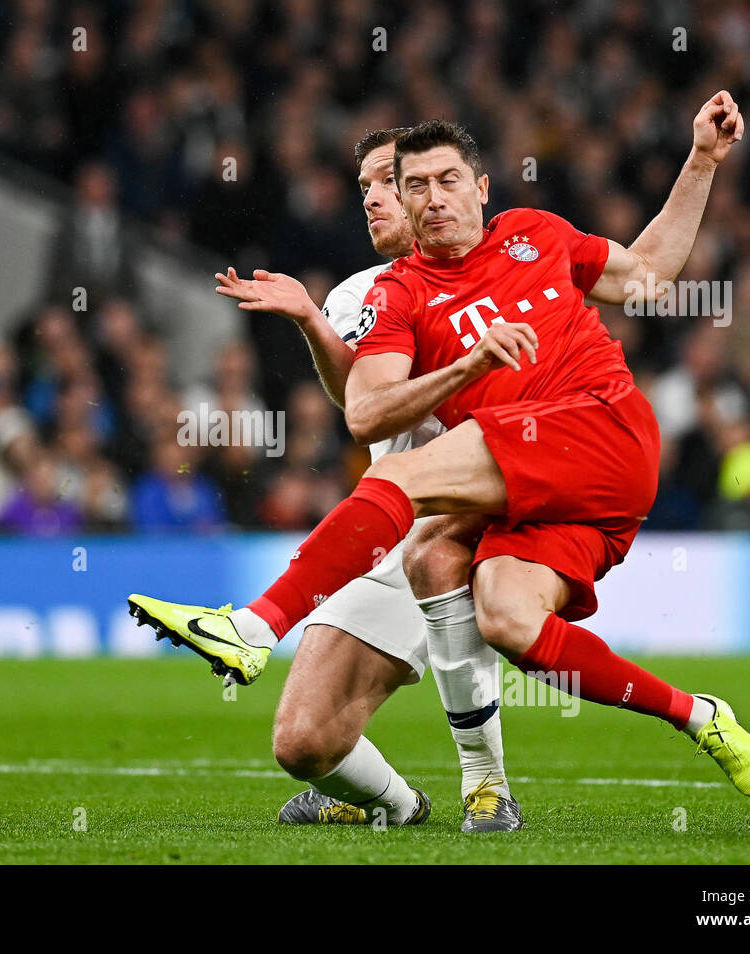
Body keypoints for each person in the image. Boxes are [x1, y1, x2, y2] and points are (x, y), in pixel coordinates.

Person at [131, 91, 750, 802]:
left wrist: (700, 160)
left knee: (415, 494)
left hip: (600, 428)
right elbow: (366, 411)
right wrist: (461, 363)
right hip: (517, 497)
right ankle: (698, 715)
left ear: (481, 188)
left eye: (442, 181)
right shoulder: (394, 295)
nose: (426, 198)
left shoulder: (535, 233)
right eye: (410, 187)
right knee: (500, 617)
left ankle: (255, 626)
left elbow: (649, 277)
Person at [208, 128, 519, 830]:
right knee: (303, 742)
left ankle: (491, 787)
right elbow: (367, 412)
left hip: (476, 515)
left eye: (390, 182)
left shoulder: (507, 272)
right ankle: (400, 806)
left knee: (443, 552)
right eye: (367, 189)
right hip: (384, 526)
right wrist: (314, 322)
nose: (374, 201)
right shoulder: (361, 293)